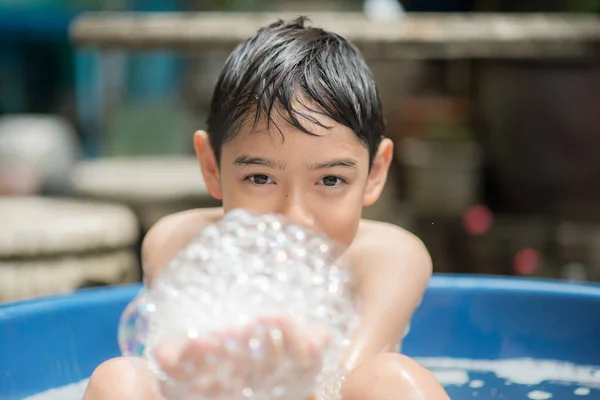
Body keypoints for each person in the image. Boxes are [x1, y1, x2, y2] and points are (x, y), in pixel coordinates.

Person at [83, 17, 449, 400]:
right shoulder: (180, 244)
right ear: (212, 167)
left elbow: (343, 381)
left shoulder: (388, 257)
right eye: (260, 178)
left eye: (329, 181)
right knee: (119, 379)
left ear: (374, 173)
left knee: (391, 378)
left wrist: (293, 379)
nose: (294, 218)